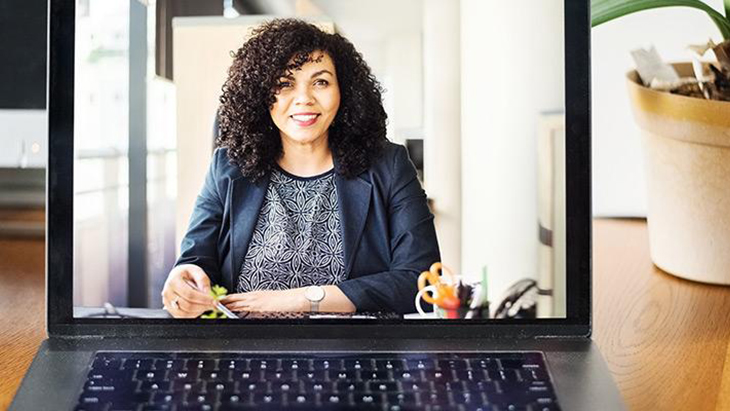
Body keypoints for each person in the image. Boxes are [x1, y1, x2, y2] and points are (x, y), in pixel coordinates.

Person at [161, 19, 440, 318]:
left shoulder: (388, 165)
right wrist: (185, 279)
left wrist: (303, 299)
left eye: (320, 82)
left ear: (344, 91)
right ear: (260, 95)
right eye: (284, 84)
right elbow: (195, 261)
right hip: (250, 356)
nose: (304, 99)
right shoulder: (228, 168)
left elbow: (422, 282)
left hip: (358, 356)